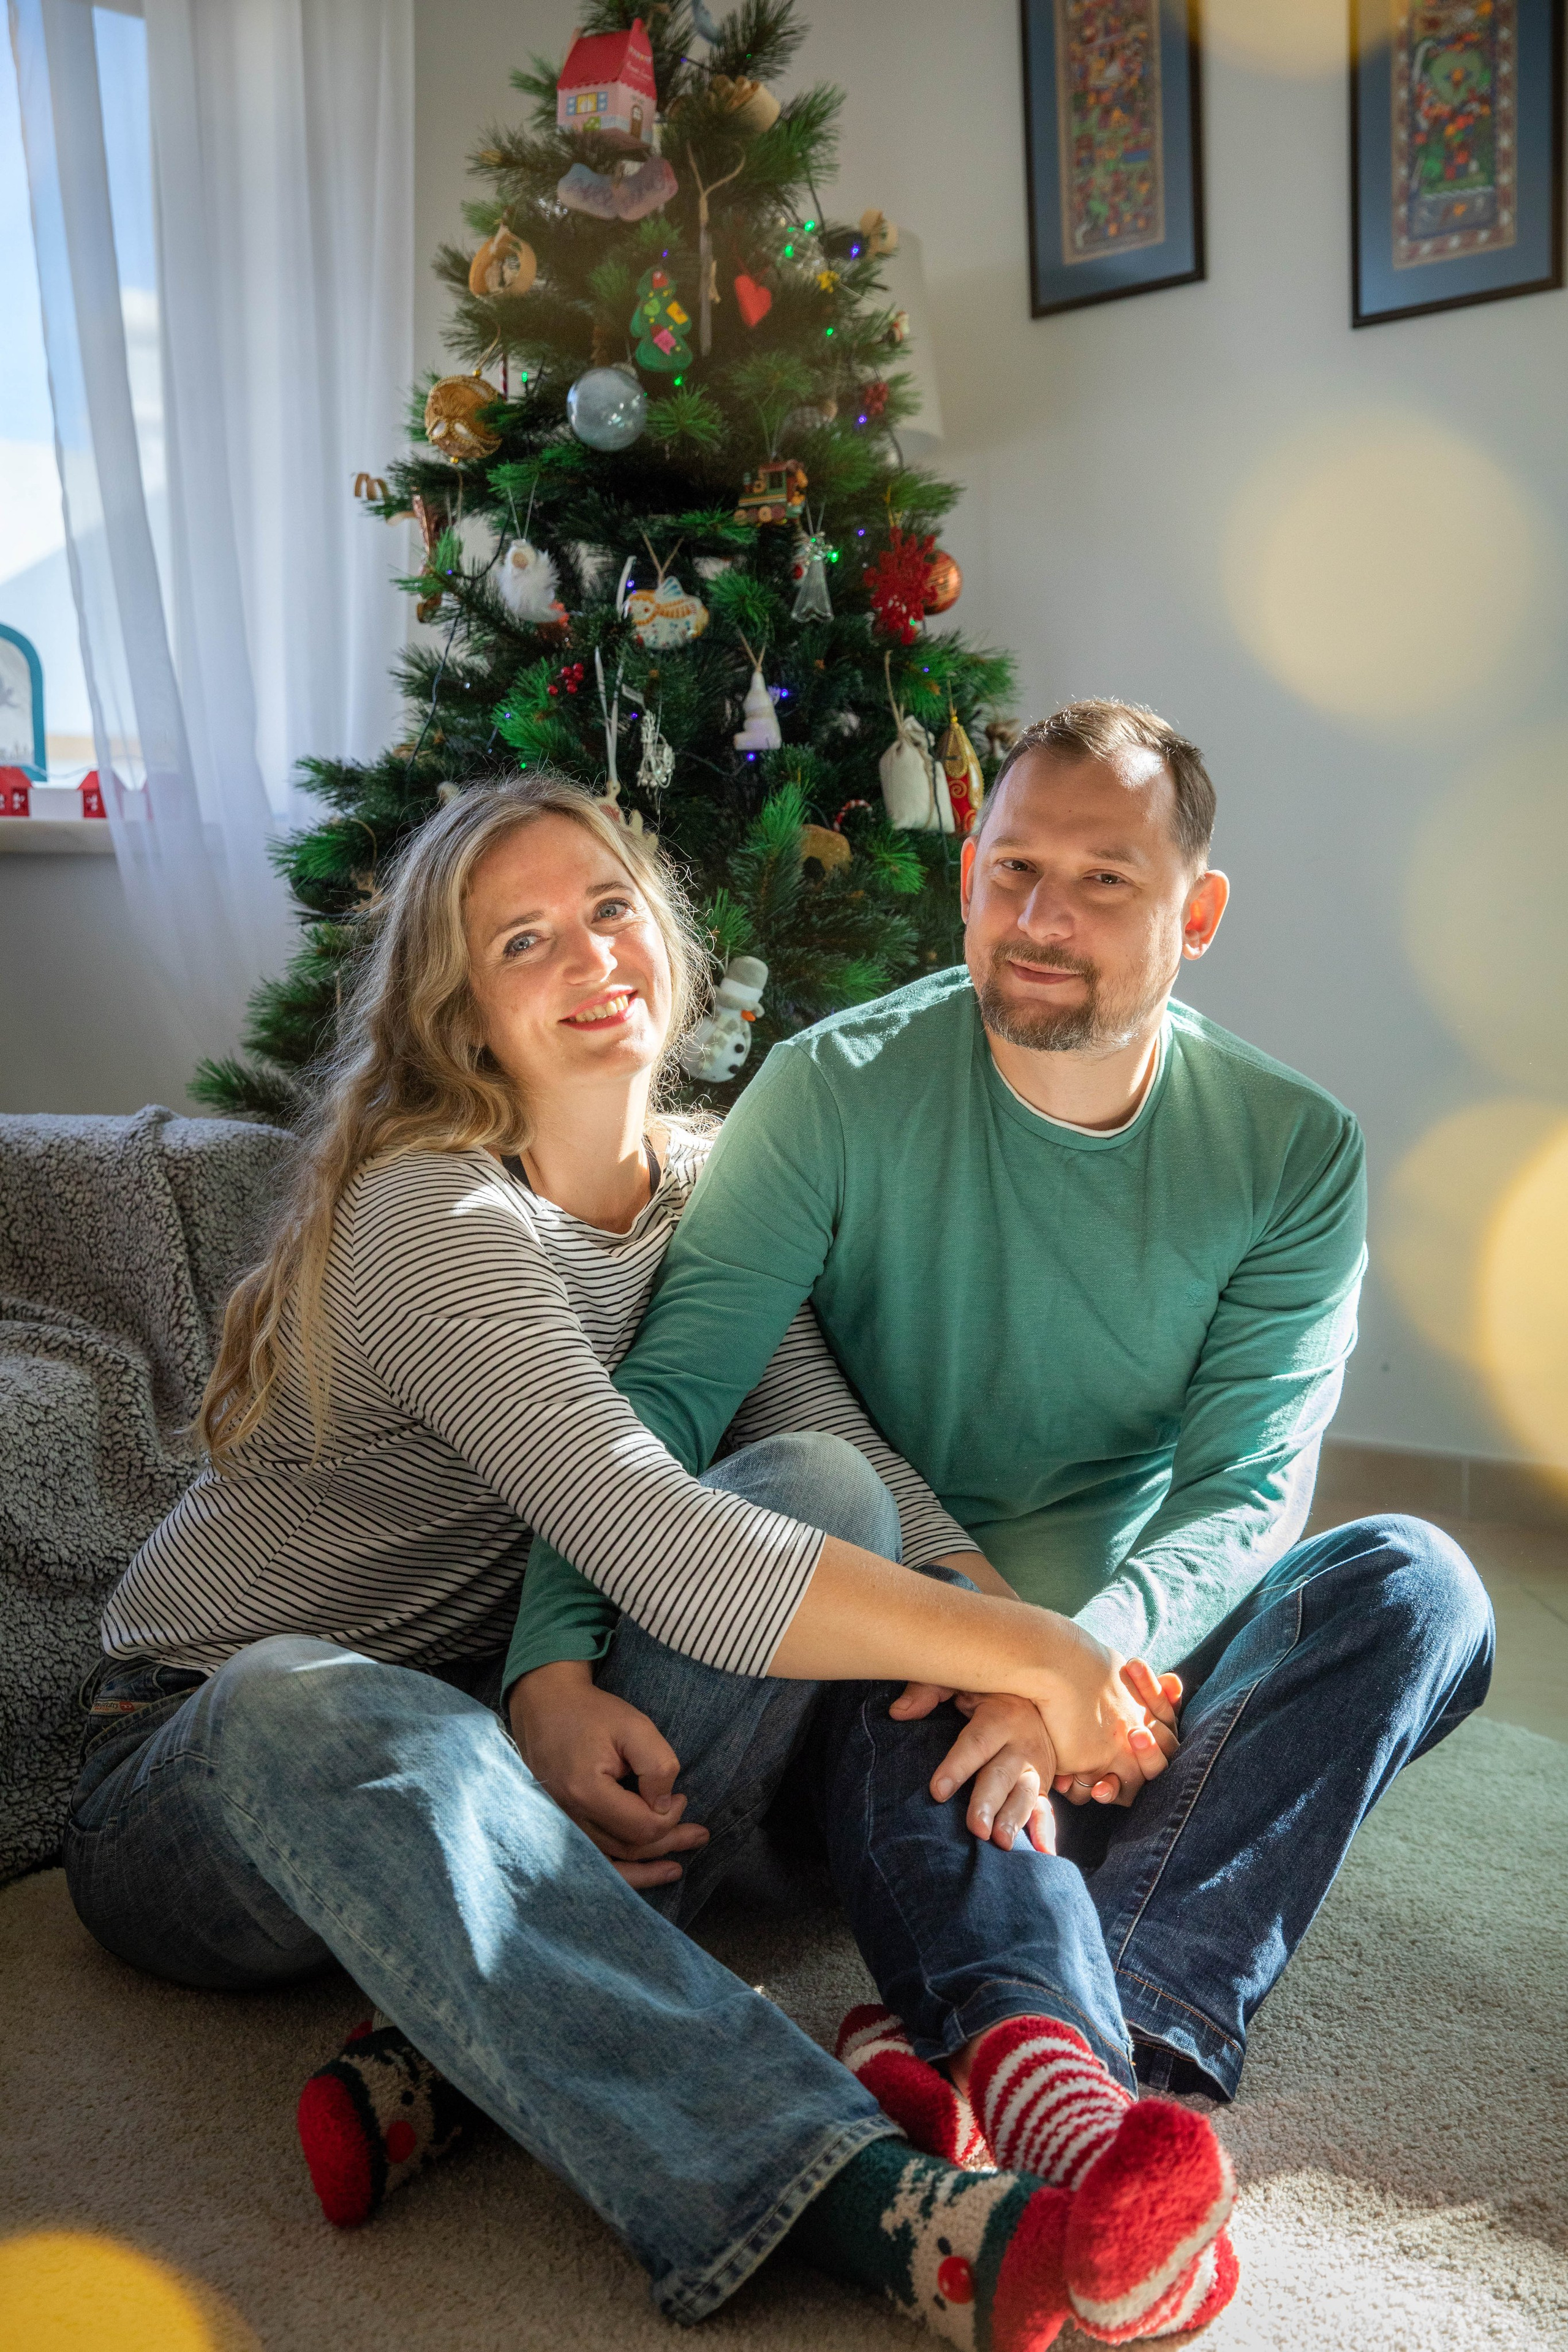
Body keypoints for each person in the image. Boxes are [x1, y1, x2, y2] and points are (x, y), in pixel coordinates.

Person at [69, 774, 1213, 2352]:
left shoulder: (704, 1186)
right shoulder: (435, 1211)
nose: (590, 954)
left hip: (482, 1738)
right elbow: (640, 1527)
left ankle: (463, 2034)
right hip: (207, 1764)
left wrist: (1037, 1635)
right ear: (462, 1012)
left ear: (667, 939)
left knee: (811, 1483)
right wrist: (1040, 1667)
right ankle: (873, 2202)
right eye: (524, 939)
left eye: (610, 909)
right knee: (306, 1698)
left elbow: (839, 1458)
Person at [508, 701, 1494, 2335]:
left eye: (1103, 881)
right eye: (1011, 868)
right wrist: (551, 1660)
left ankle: (1022, 2058)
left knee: (1422, 1585)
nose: (1039, 918)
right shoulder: (832, 1090)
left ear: (1198, 913)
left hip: (1135, 1678)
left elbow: (1249, 1487)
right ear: (967, 877)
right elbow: (657, 1408)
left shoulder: (1292, 1148)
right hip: (896, 1671)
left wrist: (1084, 1664)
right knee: (881, 1592)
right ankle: (1082, 2084)